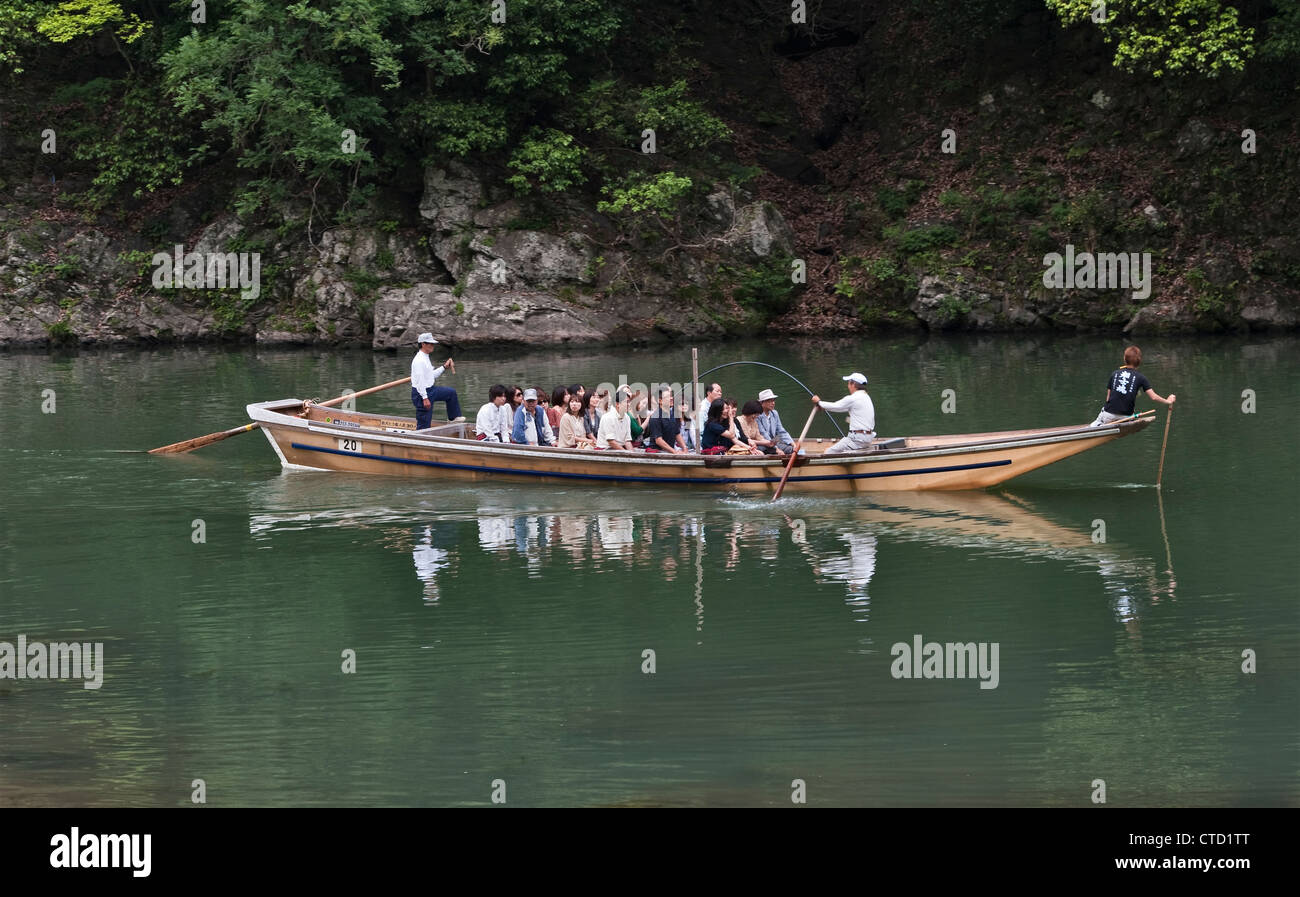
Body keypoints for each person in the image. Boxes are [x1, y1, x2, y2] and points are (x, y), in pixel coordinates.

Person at [1089, 345, 1175, 426]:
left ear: (1124, 359)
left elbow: (1108, 399)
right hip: (1126, 417)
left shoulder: (1114, 374)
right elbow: (1153, 397)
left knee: (1093, 425)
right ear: (1139, 361)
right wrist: (1168, 401)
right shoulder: (1141, 377)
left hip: (1108, 416)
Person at [812, 372, 875, 454]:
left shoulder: (853, 398)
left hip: (857, 439)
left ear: (853, 384)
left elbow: (836, 406)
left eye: (848, 383)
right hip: (867, 439)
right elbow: (840, 408)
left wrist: (819, 402)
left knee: (828, 452)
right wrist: (824, 407)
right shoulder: (866, 397)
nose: (848, 386)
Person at [410, 333, 462, 429]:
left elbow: (431, 376)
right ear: (423, 344)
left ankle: (453, 418)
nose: (432, 345)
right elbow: (420, 381)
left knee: (451, 393)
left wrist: (444, 367)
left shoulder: (425, 357)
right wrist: (425, 398)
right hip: (421, 393)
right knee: (424, 425)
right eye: (430, 343)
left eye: (433, 343)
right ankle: (420, 440)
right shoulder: (419, 360)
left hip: (431, 390)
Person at [645, 387, 687, 453]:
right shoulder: (655, 417)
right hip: (658, 452)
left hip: (670, 451)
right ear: (660, 401)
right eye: (668, 397)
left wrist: (684, 448)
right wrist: (674, 452)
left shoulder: (672, 414)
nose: (671, 398)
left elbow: (677, 434)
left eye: (671, 396)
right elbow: (658, 440)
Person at [757, 388, 796, 455]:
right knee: (769, 450)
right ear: (762, 403)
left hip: (774, 441)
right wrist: (776, 449)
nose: (773, 403)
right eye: (769, 401)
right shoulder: (757, 415)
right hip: (763, 443)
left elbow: (781, 431)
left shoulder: (774, 413)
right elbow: (763, 434)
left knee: (790, 449)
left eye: (773, 400)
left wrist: (793, 444)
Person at [694, 381, 722, 450]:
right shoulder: (702, 408)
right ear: (709, 393)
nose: (720, 393)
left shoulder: (718, 406)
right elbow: (700, 431)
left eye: (721, 391)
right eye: (717, 391)